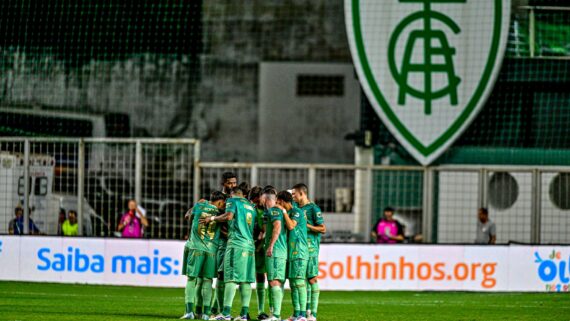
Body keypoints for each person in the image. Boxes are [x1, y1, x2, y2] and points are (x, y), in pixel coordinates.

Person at [201, 185, 256, 321]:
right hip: (249, 245)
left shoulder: (233, 201)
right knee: (245, 281)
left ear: (232, 195)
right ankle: (244, 314)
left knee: (230, 278)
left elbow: (229, 216)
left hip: (236, 245)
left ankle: (225, 313)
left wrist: (212, 219)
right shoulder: (250, 206)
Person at [180, 191, 227, 320]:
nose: (223, 205)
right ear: (219, 201)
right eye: (223, 202)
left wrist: (196, 205)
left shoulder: (199, 206)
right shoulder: (220, 213)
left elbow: (187, 216)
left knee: (191, 279)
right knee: (207, 281)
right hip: (212, 250)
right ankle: (206, 314)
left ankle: (189, 311)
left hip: (196, 247)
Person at [292, 183, 325, 321]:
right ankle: (305, 311)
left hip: (311, 248)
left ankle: (313, 314)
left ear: (302, 193)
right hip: (299, 248)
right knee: (301, 279)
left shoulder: (313, 208)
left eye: (294, 194)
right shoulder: (296, 208)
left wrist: (307, 226)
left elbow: (322, 228)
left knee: (312, 278)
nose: (292, 196)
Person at [278, 190, 309, 321]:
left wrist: (284, 212)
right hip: (291, 252)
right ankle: (296, 314)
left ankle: (302, 315)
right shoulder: (289, 212)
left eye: (279, 202)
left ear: (284, 202)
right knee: (292, 284)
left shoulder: (296, 212)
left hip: (300, 251)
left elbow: (291, 226)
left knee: (299, 282)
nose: (278, 205)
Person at [262, 188, 287, 321]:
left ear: (265, 199)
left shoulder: (274, 210)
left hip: (276, 251)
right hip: (280, 251)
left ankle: (276, 316)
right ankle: (275, 314)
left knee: (274, 281)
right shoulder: (274, 211)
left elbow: (277, 227)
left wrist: (271, 245)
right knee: (275, 281)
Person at [249, 186, 270, 320]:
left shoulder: (271, 208)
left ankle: (266, 311)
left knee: (266, 277)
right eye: (254, 201)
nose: (257, 203)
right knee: (247, 278)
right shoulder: (253, 210)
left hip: (266, 248)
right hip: (253, 247)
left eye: (257, 201)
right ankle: (246, 311)